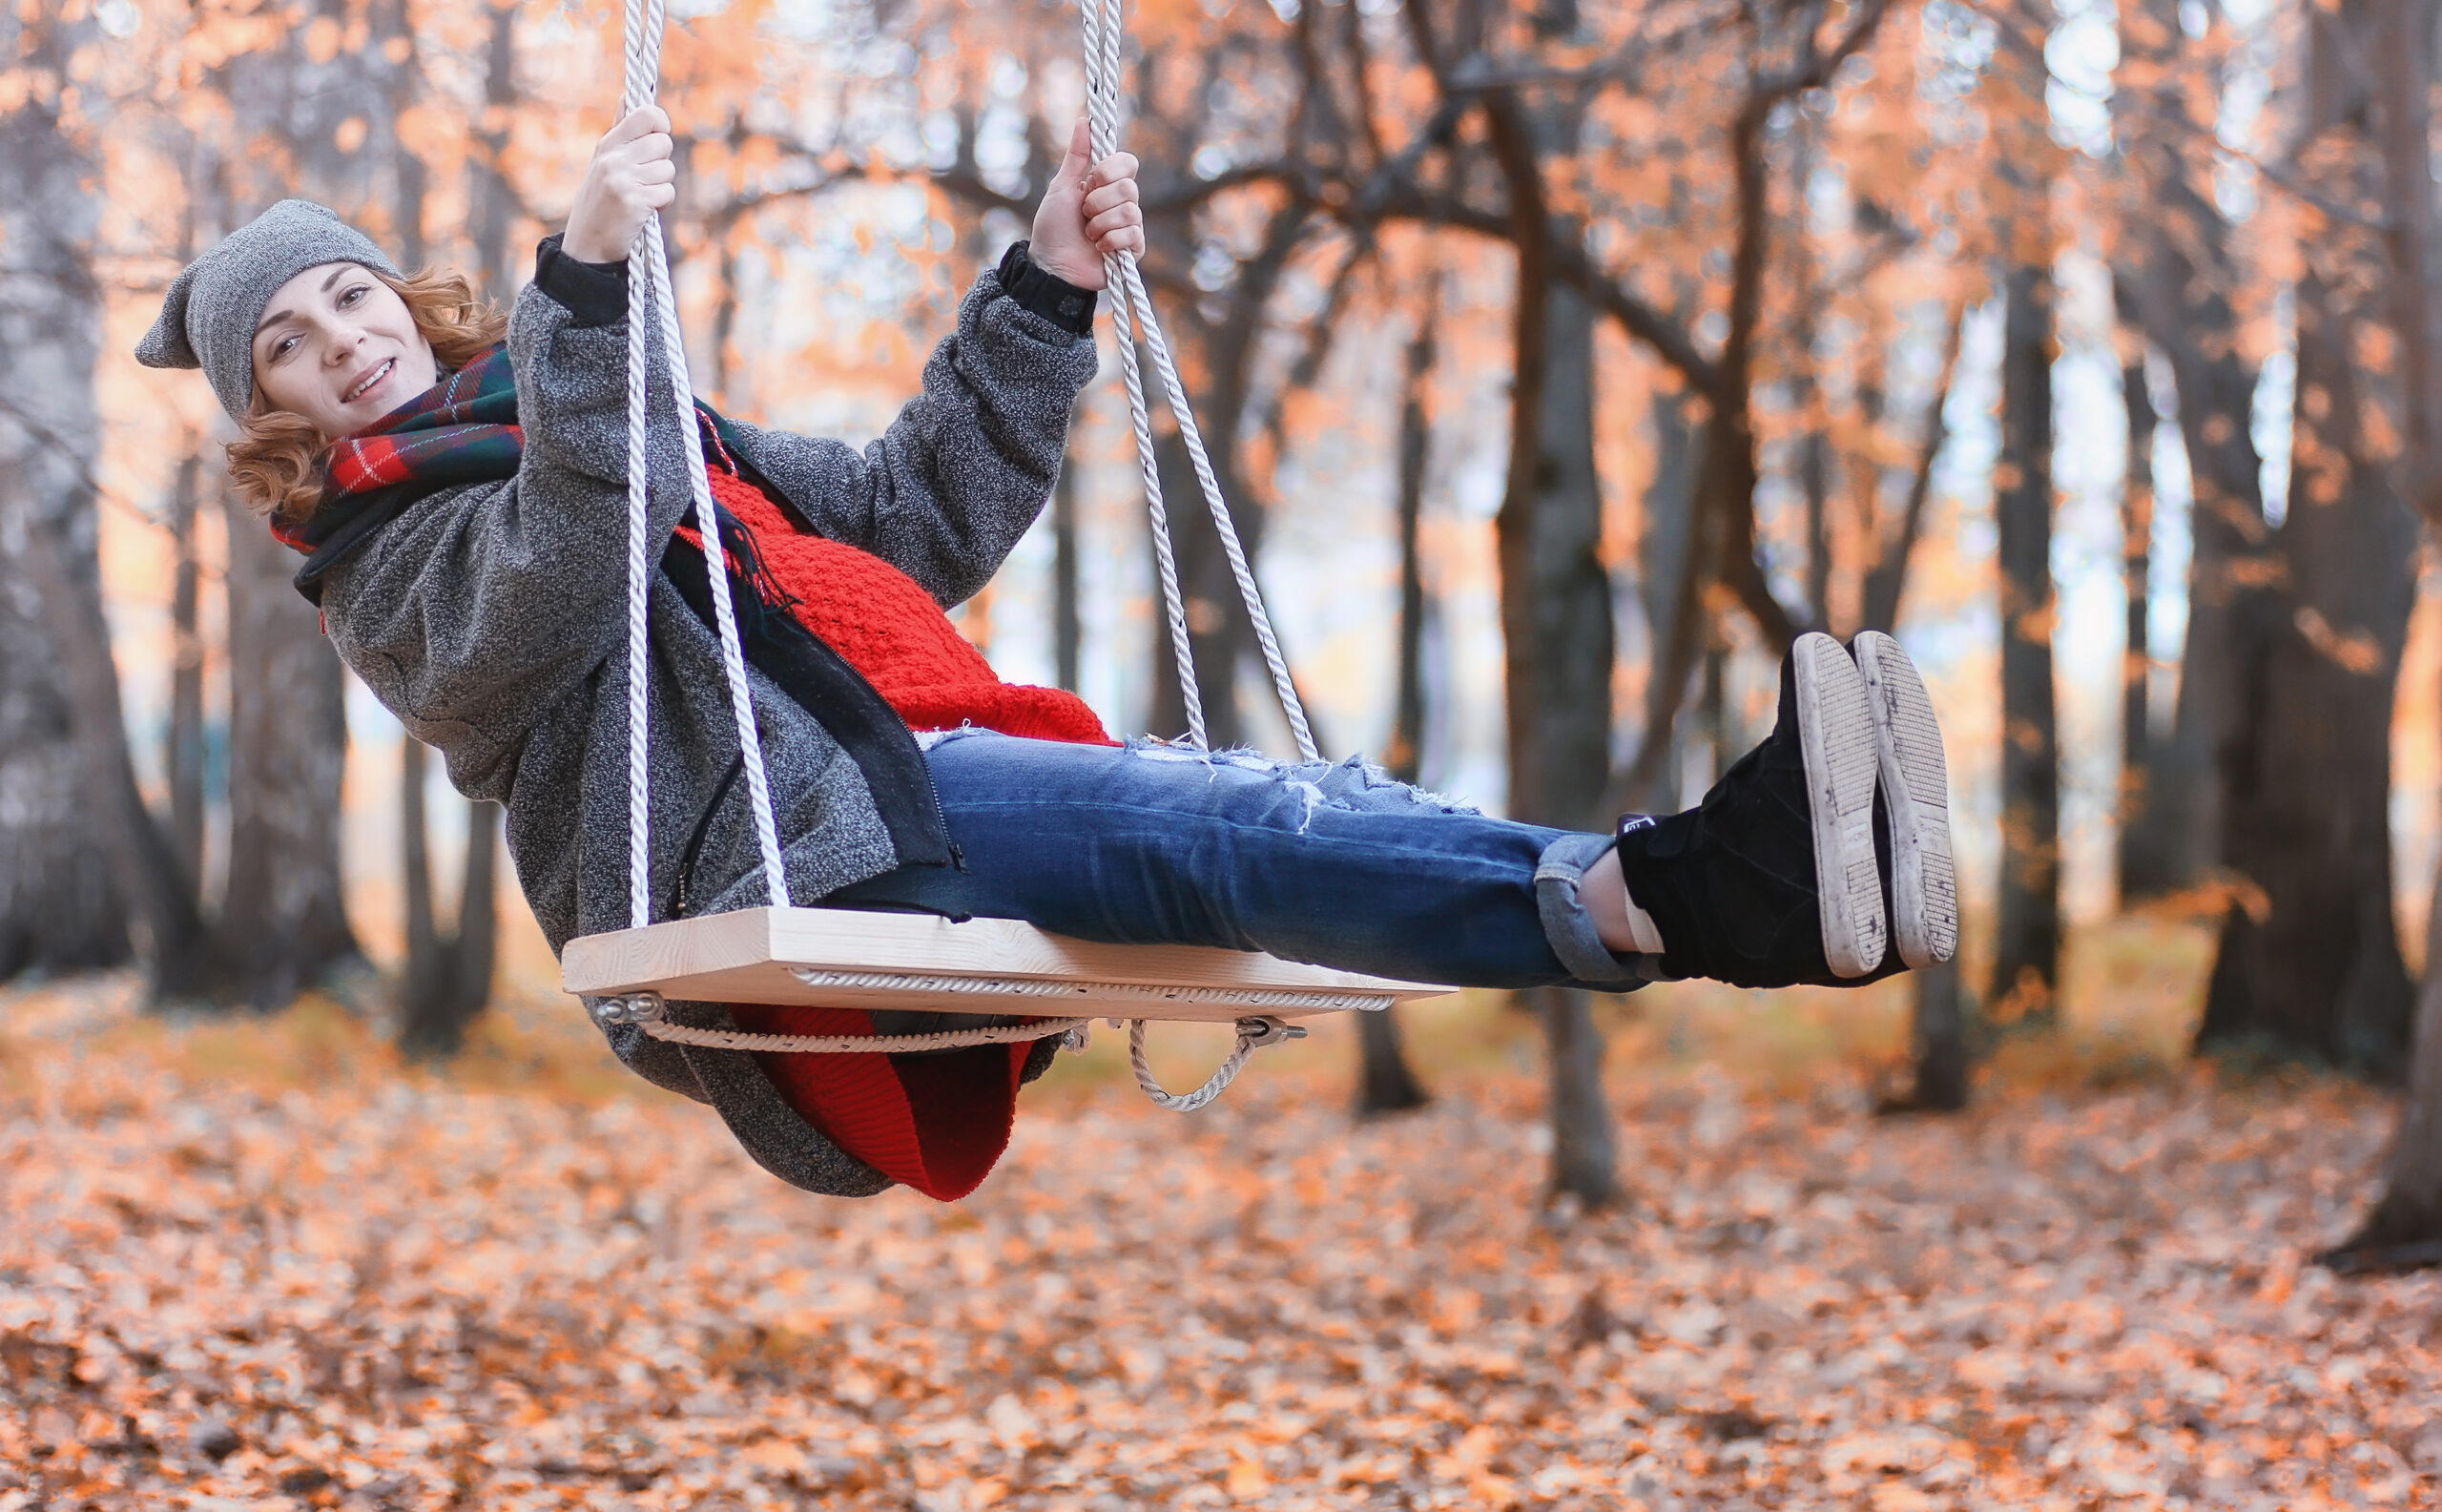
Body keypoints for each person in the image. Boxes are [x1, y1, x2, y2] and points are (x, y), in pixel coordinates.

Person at [138, 109, 1956, 1202]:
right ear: (272, 413)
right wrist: (589, 283)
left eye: (349, 298)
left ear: (402, 296)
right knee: (1224, 817)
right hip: (778, 846)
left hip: (892, 766)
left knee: (1258, 810)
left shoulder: (606, 401)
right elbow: (558, 569)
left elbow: (906, 515)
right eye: (288, 349)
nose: (342, 346)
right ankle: (1701, 887)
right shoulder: (376, 562)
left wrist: (1042, 289)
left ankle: (1701, 891)